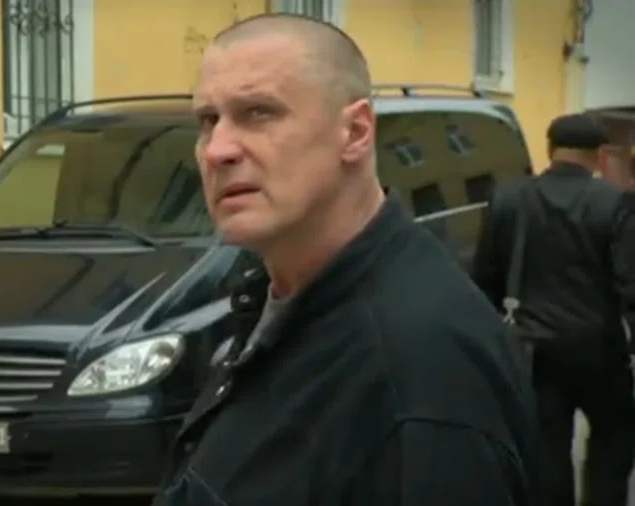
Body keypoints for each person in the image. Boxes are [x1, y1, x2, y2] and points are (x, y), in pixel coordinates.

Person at [152, 13, 538, 506]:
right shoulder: (289, 297)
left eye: (258, 113)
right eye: (208, 121)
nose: (217, 151)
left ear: (355, 132)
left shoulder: (416, 373)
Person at [473, 113, 635, 506]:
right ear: (600, 156)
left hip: (534, 351)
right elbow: (630, 284)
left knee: (546, 452)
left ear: (549, 150)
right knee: (613, 441)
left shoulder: (508, 198)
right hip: (600, 350)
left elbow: (484, 278)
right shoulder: (615, 203)